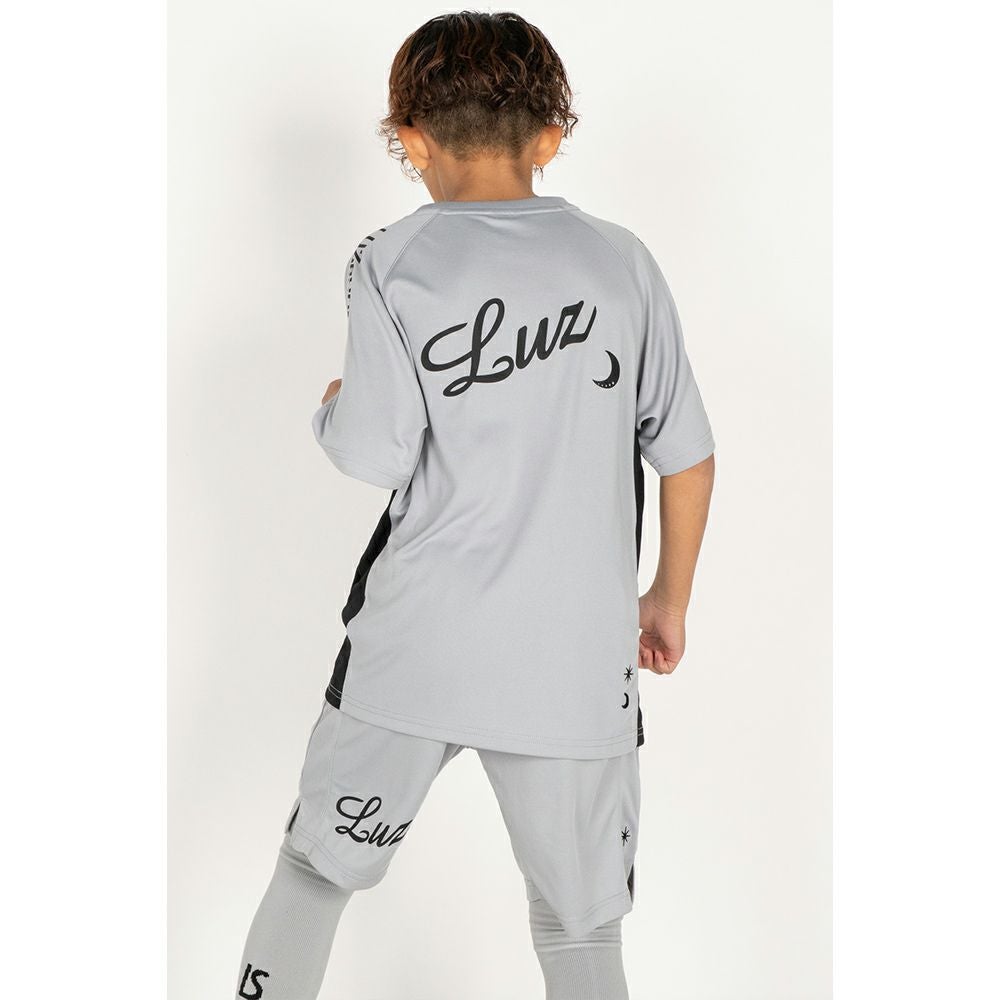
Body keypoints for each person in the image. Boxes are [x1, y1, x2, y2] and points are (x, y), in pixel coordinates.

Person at [235, 11, 715, 999]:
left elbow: (373, 450)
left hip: (417, 651)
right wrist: (665, 599)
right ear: (550, 138)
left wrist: (332, 407)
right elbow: (688, 457)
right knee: (580, 930)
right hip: (572, 665)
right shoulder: (622, 262)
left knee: (316, 872)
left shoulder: (390, 261)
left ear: (411, 140)